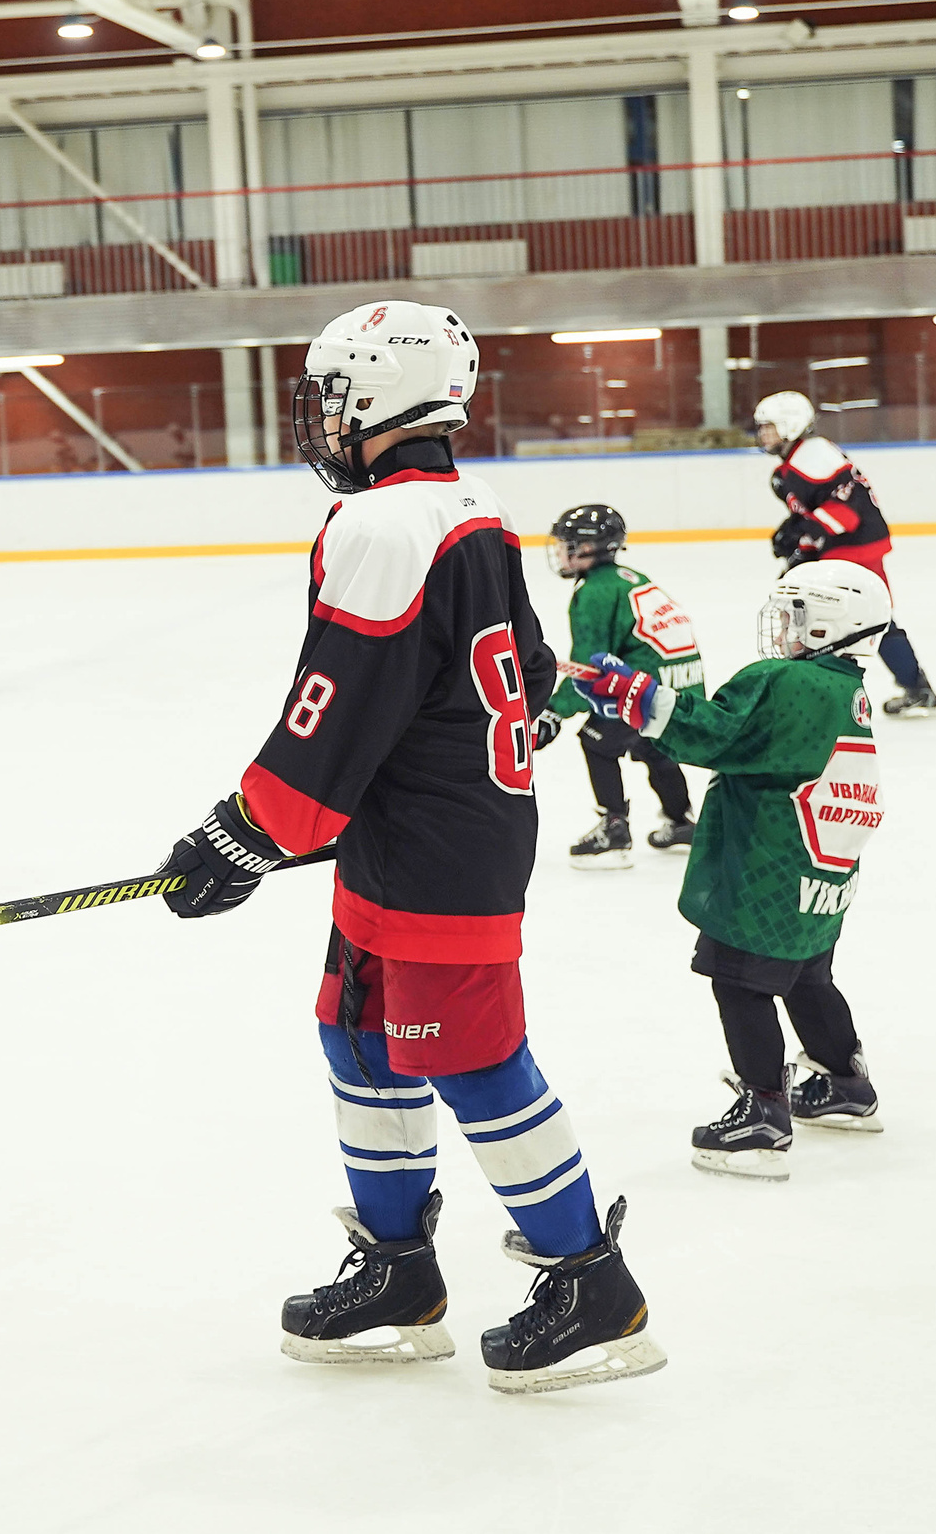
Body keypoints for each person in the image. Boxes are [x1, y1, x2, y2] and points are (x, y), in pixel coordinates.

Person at [158, 300, 663, 1395]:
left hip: (442, 851)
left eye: (334, 393)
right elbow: (520, 671)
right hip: (410, 833)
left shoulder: (382, 526)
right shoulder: (465, 504)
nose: (323, 416)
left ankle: (594, 1288)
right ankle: (397, 1270)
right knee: (359, 1040)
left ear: (382, 397)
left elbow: (335, 705)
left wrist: (247, 829)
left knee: (475, 1062)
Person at [576, 560, 891, 1182]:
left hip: (769, 866)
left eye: (796, 613)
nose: (783, 625)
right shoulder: (842, 686)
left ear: (830, 624)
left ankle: (763, 1116)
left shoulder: (786, 680)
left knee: (740, 981)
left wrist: (637, 697)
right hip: (820, 865)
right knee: (807, 974)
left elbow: (715, 736)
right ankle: (845, 1084)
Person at [536, 504, 703, 869]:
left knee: (596, 739)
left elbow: (588, 666)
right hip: (682, 690)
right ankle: (680, 821)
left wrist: (553, 710)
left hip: (646, 689)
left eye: (567, 543)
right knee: (652, 744)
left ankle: (614, 829)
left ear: (588, 547)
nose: (560, 550)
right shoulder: (631, 577)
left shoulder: (595, 592)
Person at [751, 393, 936, 717]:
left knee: (851, 618)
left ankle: (822, 696)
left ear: (790, 426)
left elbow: (845, 512)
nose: (762, 435)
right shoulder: (800, 459)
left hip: (856, 548)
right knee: (849, 616)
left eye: (768, 427)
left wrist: (803, 540)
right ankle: (913, 687)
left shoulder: (811, 458)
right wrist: (803, 541)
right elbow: (822, 511)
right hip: (850, 545)